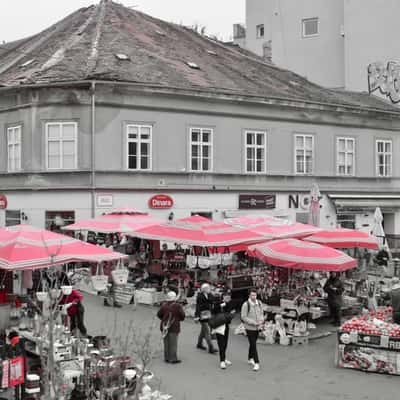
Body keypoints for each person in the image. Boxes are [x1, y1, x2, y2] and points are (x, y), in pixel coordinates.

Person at [157, 291, 185, 364]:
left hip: (164, 326)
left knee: (166, 342)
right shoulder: (177, 306)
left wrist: (164, 319)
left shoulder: (164, 305)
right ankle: (172, 358)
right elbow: (182, 316)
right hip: (174, 326)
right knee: (173, 343)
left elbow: (159, 314)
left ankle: (166, 357)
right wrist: (178, 319)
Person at [241, 289, 264, 371]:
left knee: (252, 343)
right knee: (253, 344)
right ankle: (257, 362)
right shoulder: (246, 304)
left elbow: (261, 313)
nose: (254, 297)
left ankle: (250, 358)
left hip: (258, 327)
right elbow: (243, 317)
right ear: (249, 296)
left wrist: (261, 320)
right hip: (249, 328)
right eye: (252, 295)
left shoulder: (259, 303)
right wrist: (253, 322)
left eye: (255, 295)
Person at [212, 290, 235, 369]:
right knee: (221, 343)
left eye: (229, 297)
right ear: (223, 297)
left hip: (226, 326)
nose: (228, 298)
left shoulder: (230, 304)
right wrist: (223, 304)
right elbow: (214, 310)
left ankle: (224, 358)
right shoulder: (218, 303)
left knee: (225, 343)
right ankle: (222, 361)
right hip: (219, 326)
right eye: (226, 297)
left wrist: (231, 313)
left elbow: (231, 313)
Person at [195, 283, 217, 354]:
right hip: (202, 314)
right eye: (208, 288)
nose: (209, 289)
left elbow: (212, 300)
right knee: (207, 330)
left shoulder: (209, 294)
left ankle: (199, 344)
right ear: (204, 289)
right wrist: (197, 316)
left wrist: (211, 294)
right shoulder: (199, 296)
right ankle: (211, 347)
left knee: (203, 331)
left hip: (208, 314)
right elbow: (198, 307)